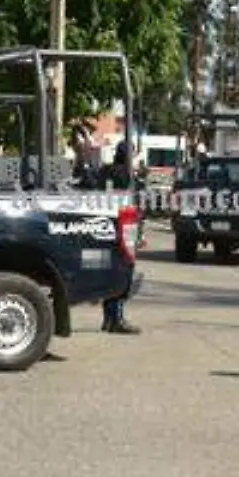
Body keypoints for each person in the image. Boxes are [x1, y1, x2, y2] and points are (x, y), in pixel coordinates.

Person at [98, 140, 141, 335]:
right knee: (124, 273)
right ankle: (117, 318)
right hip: (123, 226)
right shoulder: (126, 175)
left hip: (106, 225)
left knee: (111, 273)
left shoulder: (105, 171)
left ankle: (108, 318)